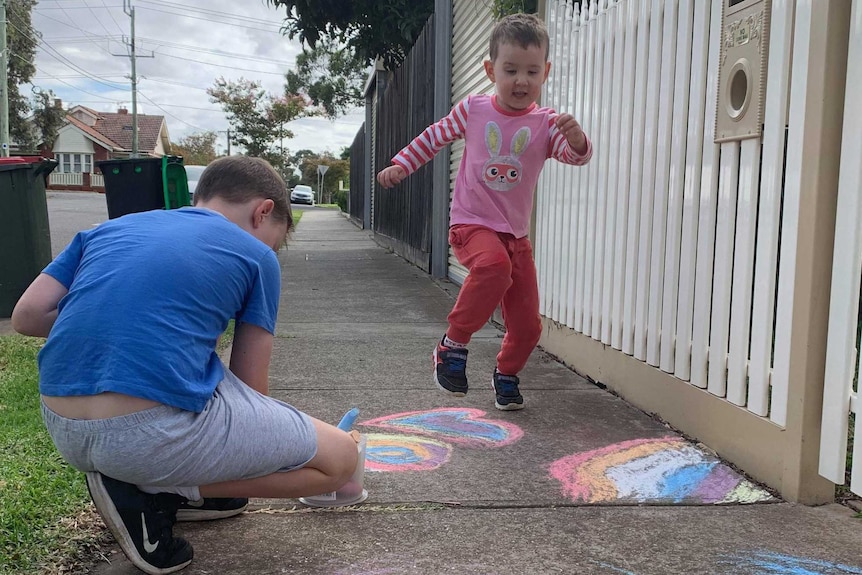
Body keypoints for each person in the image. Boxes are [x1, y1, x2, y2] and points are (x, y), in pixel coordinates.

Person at [11, 156, 358, 575]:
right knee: (338, 462)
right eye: (273, 239)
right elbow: (252, 391)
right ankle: (155, 491)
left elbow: (27, 316)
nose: (269, 250)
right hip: (146, 435)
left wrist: (127, 331)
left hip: (63, 423)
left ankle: (168, 485)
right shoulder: (255, 256)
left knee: (208, 375)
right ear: (263, 211)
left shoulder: (107, 228)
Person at [377, 13, 593, 411]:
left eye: (531, 71)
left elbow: (572, 156)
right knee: (493, 267)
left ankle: (506, 374)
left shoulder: (546, 123)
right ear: (491, 69)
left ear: (545, 72)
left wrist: (578, 141)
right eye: (510, 70)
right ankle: (452, 345)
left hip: (516, 236)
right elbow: (435, 136)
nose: (521, 81)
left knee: (528, 326)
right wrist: (402, 164)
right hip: (472, 224)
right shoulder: (474, 110)